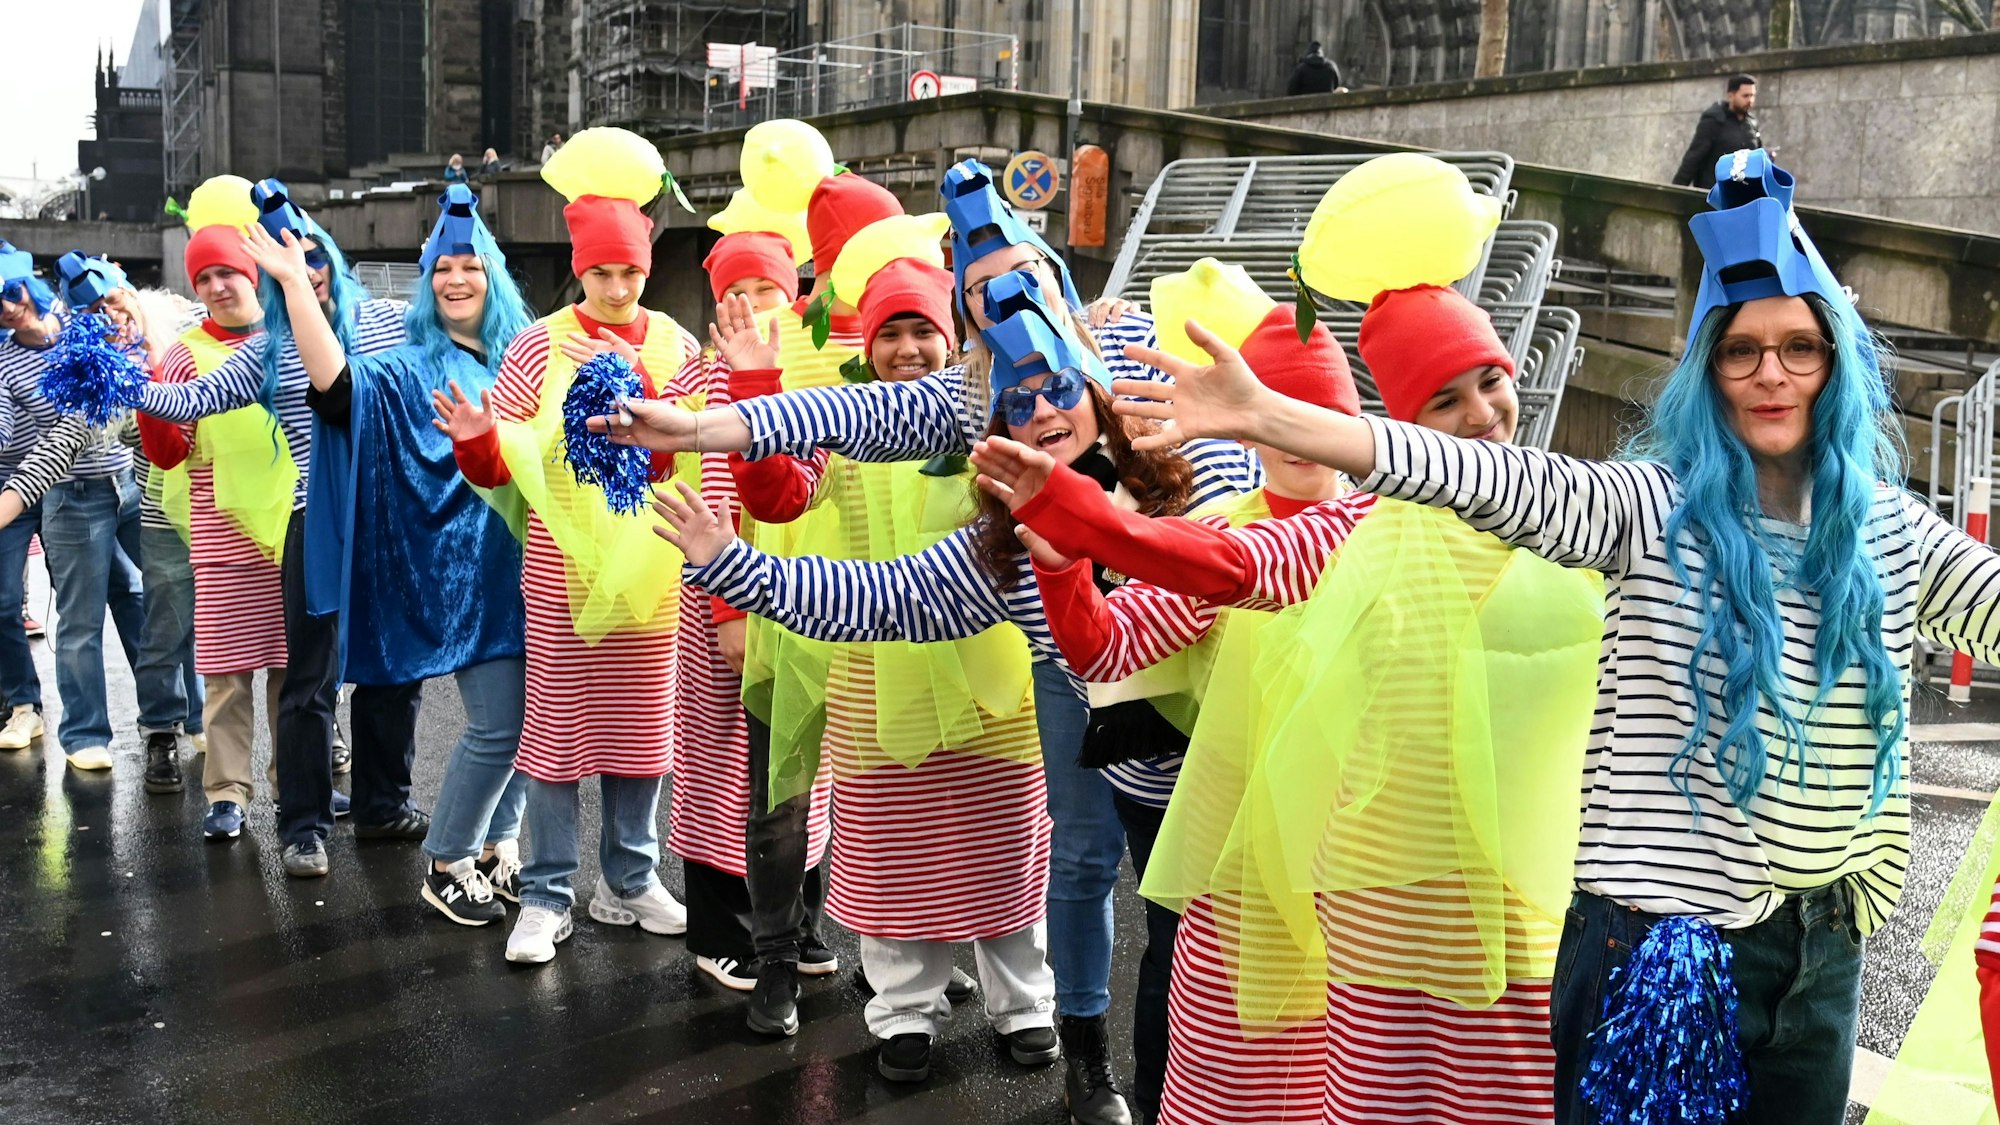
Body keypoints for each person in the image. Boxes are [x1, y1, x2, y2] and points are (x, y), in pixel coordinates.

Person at [1104, 150, 2000, 1125]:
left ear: (1832, 364)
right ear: (1706, 369)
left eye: (1798, 347)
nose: (1770, 376)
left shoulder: (1886, 528)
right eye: (1739, 350)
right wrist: (1279, 418)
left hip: (1821, 947)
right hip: (1660, 948)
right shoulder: (1641, 507)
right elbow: (1478, 478)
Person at [595, 161, 1262, 1125]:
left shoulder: (1174, 425)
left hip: (1219, 728)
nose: (1041, 409)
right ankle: (1091, 1062)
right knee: (1086, 870)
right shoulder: (1005, 533)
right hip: (1083, 688)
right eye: (1012, 395)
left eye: (1054, 378)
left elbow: (1305, 506)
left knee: (1193, 922)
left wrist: (1272, 432)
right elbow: (875, 561)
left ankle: (1150, 1073)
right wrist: (717, 479)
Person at [979, 286, 1599, 1124]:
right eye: (1443, 398)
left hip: (1488, 888)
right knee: (1255, 1082)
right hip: (1266, 878)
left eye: (1488, 382)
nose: (1480, 413)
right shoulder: (1301, 533)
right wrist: (1072, 547)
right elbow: (1135, 625)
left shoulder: (1564, 518)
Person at [702, 240, 1061, 1083]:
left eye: (922, 331)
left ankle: (1024, 1002)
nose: (906, 348)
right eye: (889, 332)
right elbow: (779, 494)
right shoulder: (849, 424)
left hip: (993, 682)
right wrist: (756, 386)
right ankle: (904, 1008)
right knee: (893, 850)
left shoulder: (992, 416)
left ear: (952, 338)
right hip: (876, 673)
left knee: (1004, 840)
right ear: (866, 344)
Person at [442, 141, 695, 964]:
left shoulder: (677, 348)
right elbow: (504, 464)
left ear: (647, 271)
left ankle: (628, 876)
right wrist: (478, 443)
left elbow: (693, 451)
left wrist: (648, 416)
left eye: (629, 274)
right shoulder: (538, 345)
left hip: (654, 570)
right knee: (556, 738)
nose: (616, 290)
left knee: (643, 732)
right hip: (560, 569)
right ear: (579, 273)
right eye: (601, 275)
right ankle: (548, 893)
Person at [266, 183, 534, 925]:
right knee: (498, 726)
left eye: (470, 265)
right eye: (442, 268)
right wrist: (297, 289)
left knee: (530, 727)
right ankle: (448, 858)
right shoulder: (414, 363)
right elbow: (337, 386)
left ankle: (494, 848)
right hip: (468, 582)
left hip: (535, 573)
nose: (455, 279)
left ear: (493, 276)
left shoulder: (527, 355)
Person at [136, 179, 413, 877]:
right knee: (302, 679)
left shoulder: (381, 321)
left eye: (314, 258)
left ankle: (383, 803)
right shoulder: (266, 351)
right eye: (291, 264)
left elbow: (442, 353)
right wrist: (125, 382)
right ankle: (303, 824)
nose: (307, 271)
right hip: (302, 522)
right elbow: (189, 398)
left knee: (391, 671)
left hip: (381, 521)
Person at [665, 229, 837, 1005]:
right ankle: (722, 932)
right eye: (738, 293)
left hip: (807, 601)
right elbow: (712, 495)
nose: (754, 307)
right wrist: (729, 609)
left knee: (805, 773)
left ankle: (799, 921)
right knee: (730, 770)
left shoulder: (807, 371)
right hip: (726, 606)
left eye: (768, 291)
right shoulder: (705, 380)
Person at [136, 209, 285, 839]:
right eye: (205, 278)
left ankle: (297, 787)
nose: (220, 286)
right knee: (226, 675)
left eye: (230, 272)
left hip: (294, 533)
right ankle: (227, 793)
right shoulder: (182, 355)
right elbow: (167, 454)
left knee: (295, 673)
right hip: (222, 535)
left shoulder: (291, 336)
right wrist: (144, 396)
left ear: (254, 275)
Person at [0, 251, 177, 773]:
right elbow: (53, 443)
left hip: (129, 484)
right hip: (66, 493)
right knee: (80, 620)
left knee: (151, 597)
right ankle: (82, 731)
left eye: (11, 292)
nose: (8, 308)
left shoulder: (99, 326)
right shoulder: (24, 360)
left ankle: (173, 719)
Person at [1673, 73, 1762, 189]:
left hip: (1743, 194)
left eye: (1752, 96)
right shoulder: (1714, 121)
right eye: (1745, 96)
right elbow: (1694, 158)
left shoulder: (1751, 124)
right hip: (1714, 192)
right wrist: (1677, 190)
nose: (1750, 100)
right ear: (1731, 96)